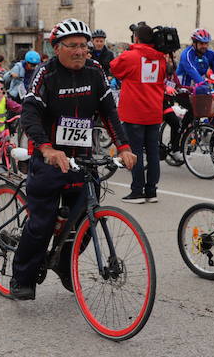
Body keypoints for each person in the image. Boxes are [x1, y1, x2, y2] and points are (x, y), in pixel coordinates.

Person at [9, 18, 136, 300]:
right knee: (42, 223)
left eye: (84, 46)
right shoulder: (46, 73)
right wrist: (46, 149)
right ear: (57, 48)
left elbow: (109, 111)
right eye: (73, 46)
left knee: (85, 219)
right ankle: (22, 276)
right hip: (49, 157)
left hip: (83, 158)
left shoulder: (95, 71)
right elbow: (30, 113)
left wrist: (124, 146)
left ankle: (64, 263)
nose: (80, 51)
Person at [110, 23, 166, 203]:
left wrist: (128, 50)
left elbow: (114, 68)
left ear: (136, 38)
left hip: (134, 111)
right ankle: (151, 191)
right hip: (154, 110)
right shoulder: (161, 58)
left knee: (135, 152)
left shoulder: (130, 56)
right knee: (153, 153)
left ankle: (137, 191)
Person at [177, 29, 214, 94]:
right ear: (194, 43)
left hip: (199, 87)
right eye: (201, 43)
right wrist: (204, 85)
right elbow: (192, 71)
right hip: (183, 87)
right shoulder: (187, 54)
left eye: (206, 43)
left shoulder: (211, 55)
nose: (204, 46)